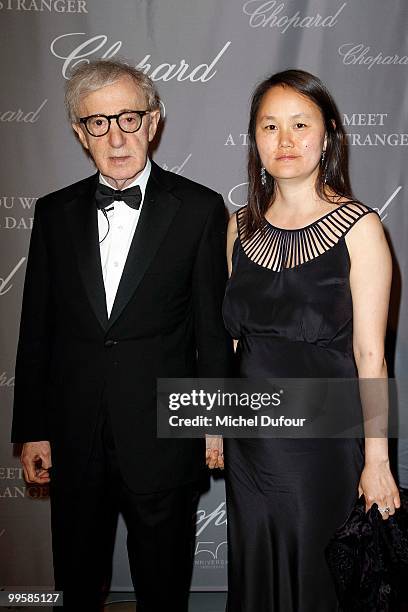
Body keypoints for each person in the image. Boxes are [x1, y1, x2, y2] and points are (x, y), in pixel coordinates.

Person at [11, 59, 233, 612]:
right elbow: (36, 329)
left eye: (129, 118)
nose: (116, 137)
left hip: (163, 436)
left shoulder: (200, 209)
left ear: (153, 121)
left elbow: (211, 326)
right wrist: (33, 430)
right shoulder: (53, 213)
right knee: (78, 584)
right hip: (74, 434)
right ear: (79, 133)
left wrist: (215, 427)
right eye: (98, 122)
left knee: (163, 586)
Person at [221, 69, 400, 611]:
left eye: (301, 124)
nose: (285, 140)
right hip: (249, 441)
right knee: (254, 565)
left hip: (322, 440)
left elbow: (372, 356)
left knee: (316, 574)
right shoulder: (238, 227)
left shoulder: (360, 228)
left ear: (328, 136)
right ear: (255, 139)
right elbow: (233, 343)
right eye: (270, 126)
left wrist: (377, 460)